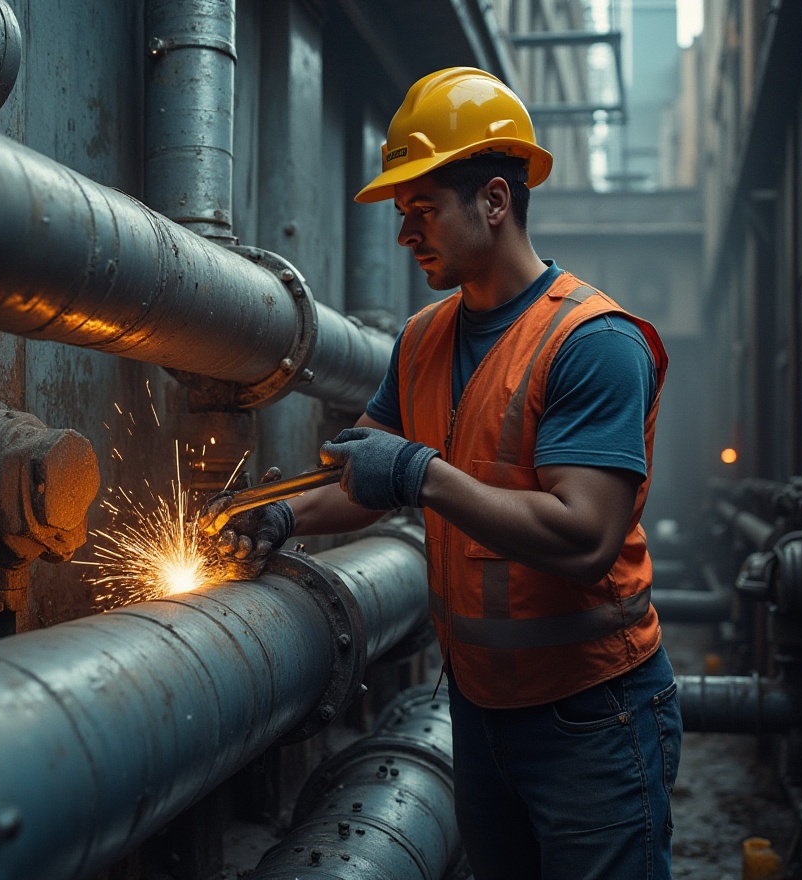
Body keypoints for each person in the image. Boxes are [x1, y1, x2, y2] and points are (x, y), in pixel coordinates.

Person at [200, 67, 682, 880]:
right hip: (480, 710)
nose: (404, 234)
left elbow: (584, 537)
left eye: (421, 211)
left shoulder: (593, 342)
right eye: (400, 214)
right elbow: (365, 473)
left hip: (592, 715)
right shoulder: (424, 340)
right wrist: (281, 517)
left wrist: (422, 473)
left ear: (495, 201)